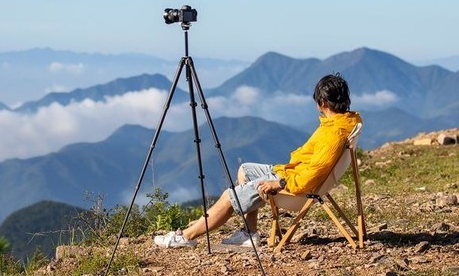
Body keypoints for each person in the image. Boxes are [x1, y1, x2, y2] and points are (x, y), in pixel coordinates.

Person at [154, 73, 362, 248]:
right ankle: (249, 233)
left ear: (323, 102)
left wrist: (279, 183)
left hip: (295, 189)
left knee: (229, 195)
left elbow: (311, 176)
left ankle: (186, 237)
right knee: (245, 170)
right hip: (293, 175)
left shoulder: (332, 134)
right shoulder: (345, 121)